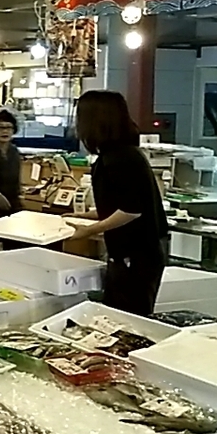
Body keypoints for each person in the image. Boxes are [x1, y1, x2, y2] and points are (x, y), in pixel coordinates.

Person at [66, 90, 168, 316]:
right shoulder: (116, 155)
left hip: (137, 257)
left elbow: (130, 211)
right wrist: (83, 217)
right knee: (116, 313)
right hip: (128, 256)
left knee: (129, 318)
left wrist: (89, 230)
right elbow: (117, 204)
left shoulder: (121, 158)